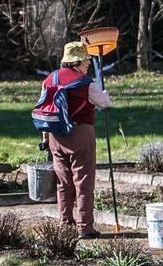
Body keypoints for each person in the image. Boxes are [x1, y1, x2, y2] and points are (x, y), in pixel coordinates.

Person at [43, 41, 111, 239]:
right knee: (83, 182)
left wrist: (46, 138)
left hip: (55, 136)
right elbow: (103, 102)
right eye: (86, 59)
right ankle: (85, 227)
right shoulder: (86, 83)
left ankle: (65, 225)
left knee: (63, 182)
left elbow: (45, 110)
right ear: (78, 61)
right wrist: (104, 93)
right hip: (81, 134)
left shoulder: (50, 79)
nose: (89, 63)